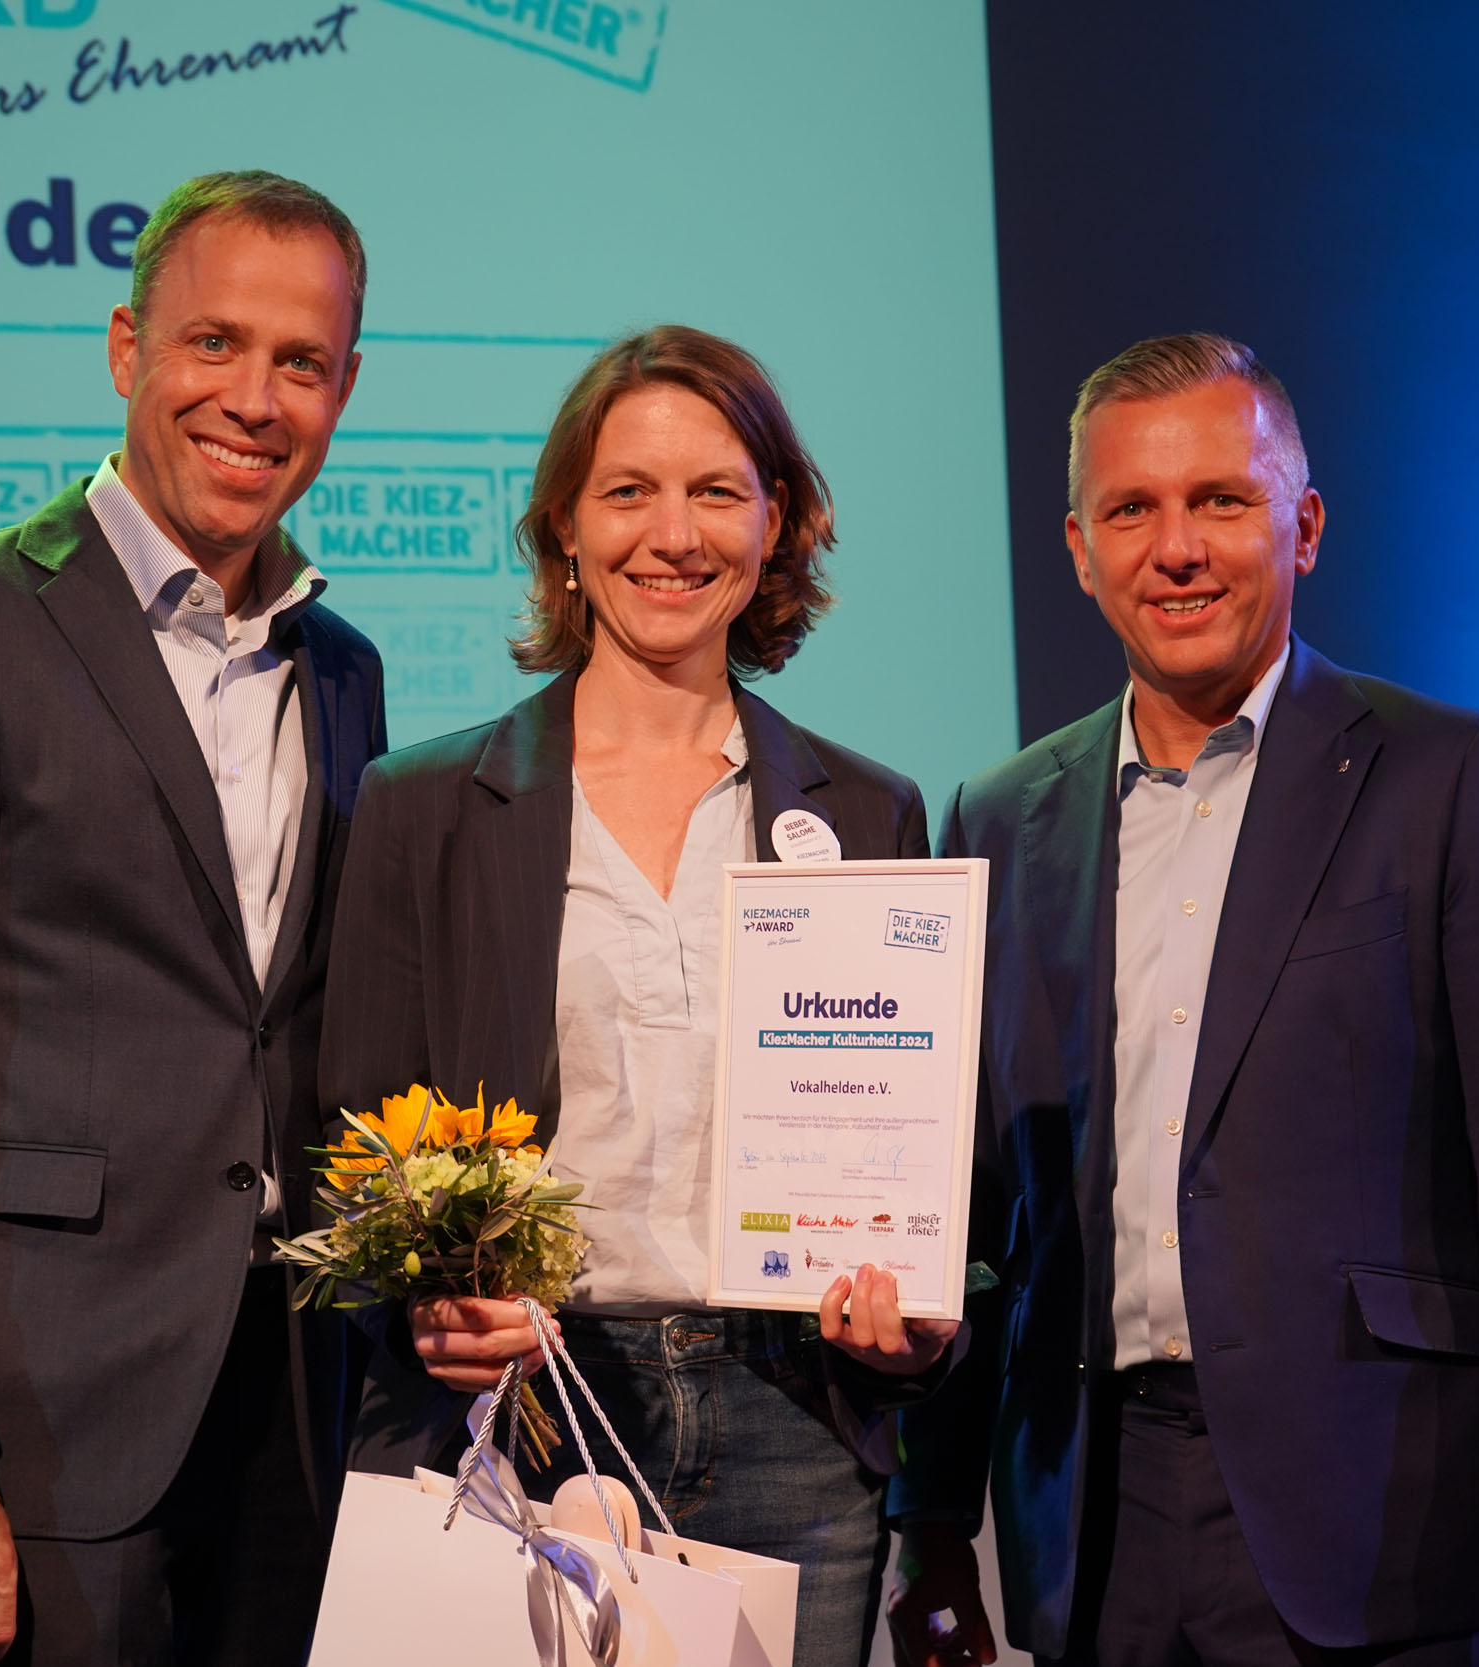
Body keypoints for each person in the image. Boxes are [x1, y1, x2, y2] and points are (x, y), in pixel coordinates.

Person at [887, 334, 1479, 1667]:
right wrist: (933, 1516)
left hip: (1374, 1501)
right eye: (1132, 510)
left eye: (1221, 501)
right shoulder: (1001, 818)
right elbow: (977, 1207)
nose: (1175, 550)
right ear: (1079, 550)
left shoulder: (1450, 777)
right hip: (1094, 1515)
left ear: (1305, 527)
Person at [0, 170, 385, 1667]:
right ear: (127, 349)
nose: (255, 400)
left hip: (298, 1422)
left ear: (346, 387)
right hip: (46, 1430)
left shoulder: (344, 667)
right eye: (213, 343)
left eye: (301, 361)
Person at [319, 324, 960, 1667]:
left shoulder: (870, 810)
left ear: (777, 525)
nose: (673, 536)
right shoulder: (426, 807)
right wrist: (427, 1307)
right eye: (628, 492)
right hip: (523, 1410)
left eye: (717, 492)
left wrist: (915, 1317)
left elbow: (923, 1155)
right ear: (564, 525)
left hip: (795, 1421)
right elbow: (352, 1140)